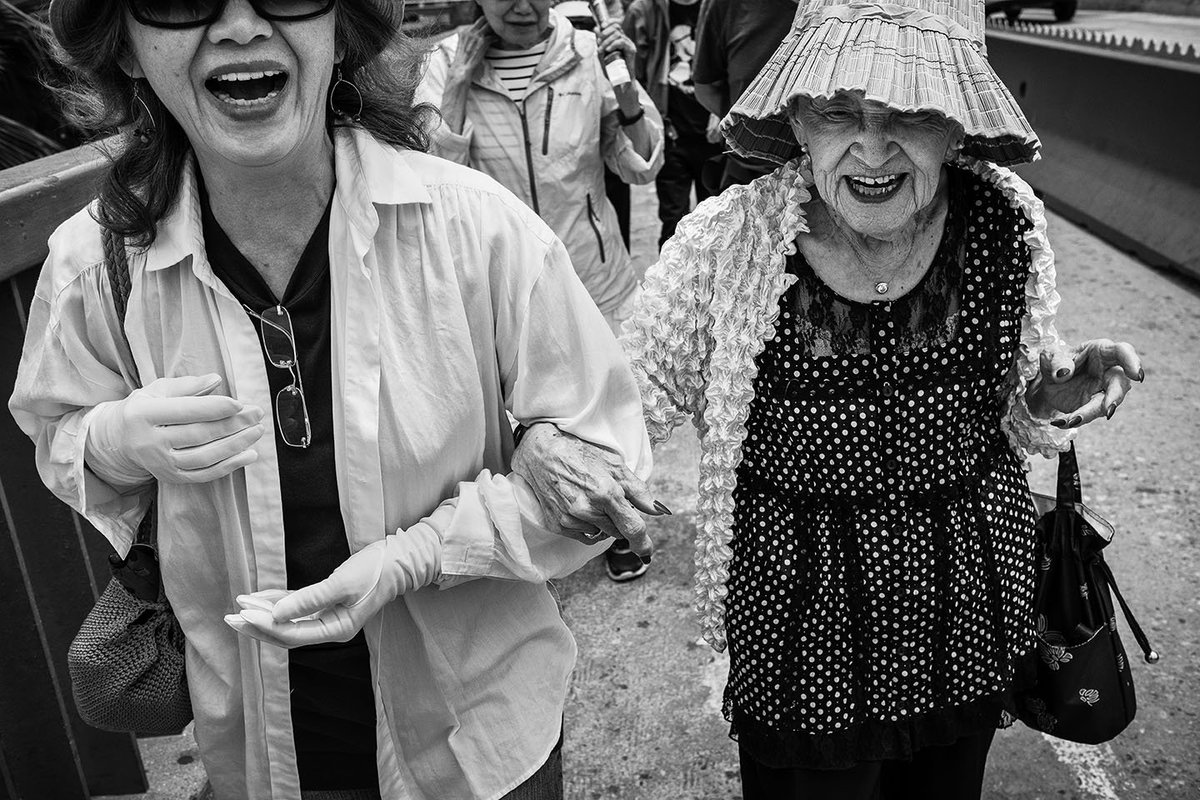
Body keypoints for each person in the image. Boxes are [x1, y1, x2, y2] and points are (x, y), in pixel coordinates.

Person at [9, 0, 659, 797]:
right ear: (129, 50)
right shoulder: (93, 264)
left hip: (482, 744)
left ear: (342, 28)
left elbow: (609, 459)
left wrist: (414, 557)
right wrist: (112, 440)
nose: (238, 25)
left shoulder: (478, 231)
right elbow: (55, 430)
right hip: (255, 750)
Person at [513, 0, 1146, 795]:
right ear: (799, 118)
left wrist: (1061, 387)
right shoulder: (729, 242)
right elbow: (617, 401)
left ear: (954, 124)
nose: (871, 148)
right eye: (840, 111)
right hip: (802, 636)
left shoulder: (1004, 222)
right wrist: (547, 439)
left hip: (969, 615)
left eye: (909, 113)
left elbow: (1015, 406)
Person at [417, 0, 664, 582]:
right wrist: (455, 90)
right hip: (502, 294)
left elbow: (643, 165)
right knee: (521, 423)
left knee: (613, 411)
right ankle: (541, 528)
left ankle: (621, 529)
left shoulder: (589, 55)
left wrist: (626, 92)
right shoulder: (444, 62)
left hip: (592, 275)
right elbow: (427, 177)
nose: (522, 6)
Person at [623, 0, 723, 246]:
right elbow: (630, 74)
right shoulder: (644, 11)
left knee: (716, 223)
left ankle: (712, 284)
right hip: (671, 134)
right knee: (673, 223)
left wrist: (723, 108)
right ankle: (672, 284)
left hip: (713, 135)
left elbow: (736, 61)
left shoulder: (720, 7)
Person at [691, 0, 795, 190]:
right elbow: (705, 88)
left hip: (827, 177)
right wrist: (746, 125)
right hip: (747, 176)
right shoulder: (727, 6)